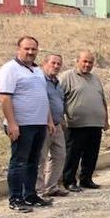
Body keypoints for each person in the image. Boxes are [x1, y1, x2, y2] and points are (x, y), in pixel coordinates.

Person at [0, 36, 55, 212]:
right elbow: (5, 98)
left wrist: (49, 120)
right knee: (19, 162)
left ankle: (30, 195)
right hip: (21, 125)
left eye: (34, 49)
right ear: (19, 48)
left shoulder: (37, 70)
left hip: (38, 124)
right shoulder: (10, 69)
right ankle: (15, 198)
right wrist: (13, 124)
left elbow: (43, 96)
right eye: (27, 49)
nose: (30, 52)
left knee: (33, 161)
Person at [60, 51, 109, 192]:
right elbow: (59, 99)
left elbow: (103, 101)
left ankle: (86, 179)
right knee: (73, 155)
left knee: (91, 154)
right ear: (77, 61)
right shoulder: (67, 77)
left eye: (90, 62)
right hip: (75, 125)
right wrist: (61, 119)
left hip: (95, 124)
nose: (87, 65)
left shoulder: (95, 79)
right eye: (85, 61)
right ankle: (69, 181)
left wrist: (105, 120)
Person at [36, 54, 68, 197]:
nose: (56, 66)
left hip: (57, 124)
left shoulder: (56, 82)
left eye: (58, 64)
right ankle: (39, 190)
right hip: (43, 125)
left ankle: (51, 186)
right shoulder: (40, 80)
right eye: (53, 63)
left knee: (59, 156)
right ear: (45, 63)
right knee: (40, 158)